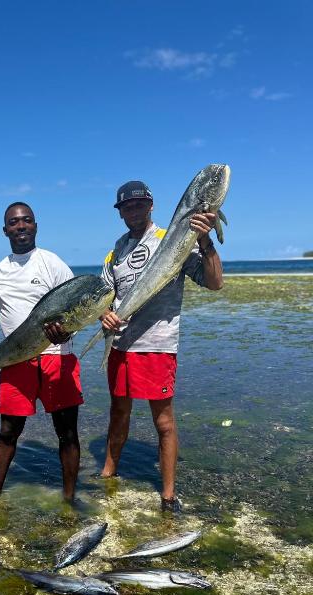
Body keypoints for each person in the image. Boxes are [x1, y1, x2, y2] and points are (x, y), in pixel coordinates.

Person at [99, 180, 224, 513]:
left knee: (164, 422)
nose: (133, 210)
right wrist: (103, 315)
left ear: (151, 205)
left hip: (157, 346)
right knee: (118, 413)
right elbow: (105, 296)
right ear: (120, 212)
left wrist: (205, 240)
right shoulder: (116, 250)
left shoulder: (173, 239)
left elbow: (214, 283)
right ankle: (108, 472)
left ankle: (168, 494)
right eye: (127, 206)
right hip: (120, 347)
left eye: (139, 204)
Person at [0, 202, 83, 502]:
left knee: (67, 433)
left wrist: (68, 333)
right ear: (5, 230)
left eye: (27, 220)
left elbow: (77, 306)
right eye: (14, 222)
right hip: (16, 360)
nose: (21, 226)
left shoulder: (53, 263)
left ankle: (69, 500)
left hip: (57, 357)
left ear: (35, 226)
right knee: (8, 432)